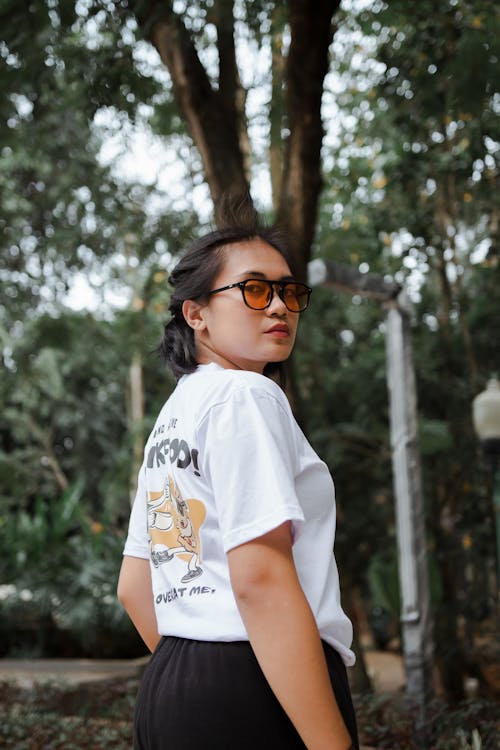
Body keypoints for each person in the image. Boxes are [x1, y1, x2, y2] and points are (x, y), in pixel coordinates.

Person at [117, 210, 359, 750]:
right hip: (257, 682)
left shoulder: (176, 415)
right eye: (253, 289)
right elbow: (260, 580)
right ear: (196, 313)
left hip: (173, 689)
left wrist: (201, 675)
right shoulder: (245, 395)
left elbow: (135, 586)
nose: (278, 305)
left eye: (289, 292)